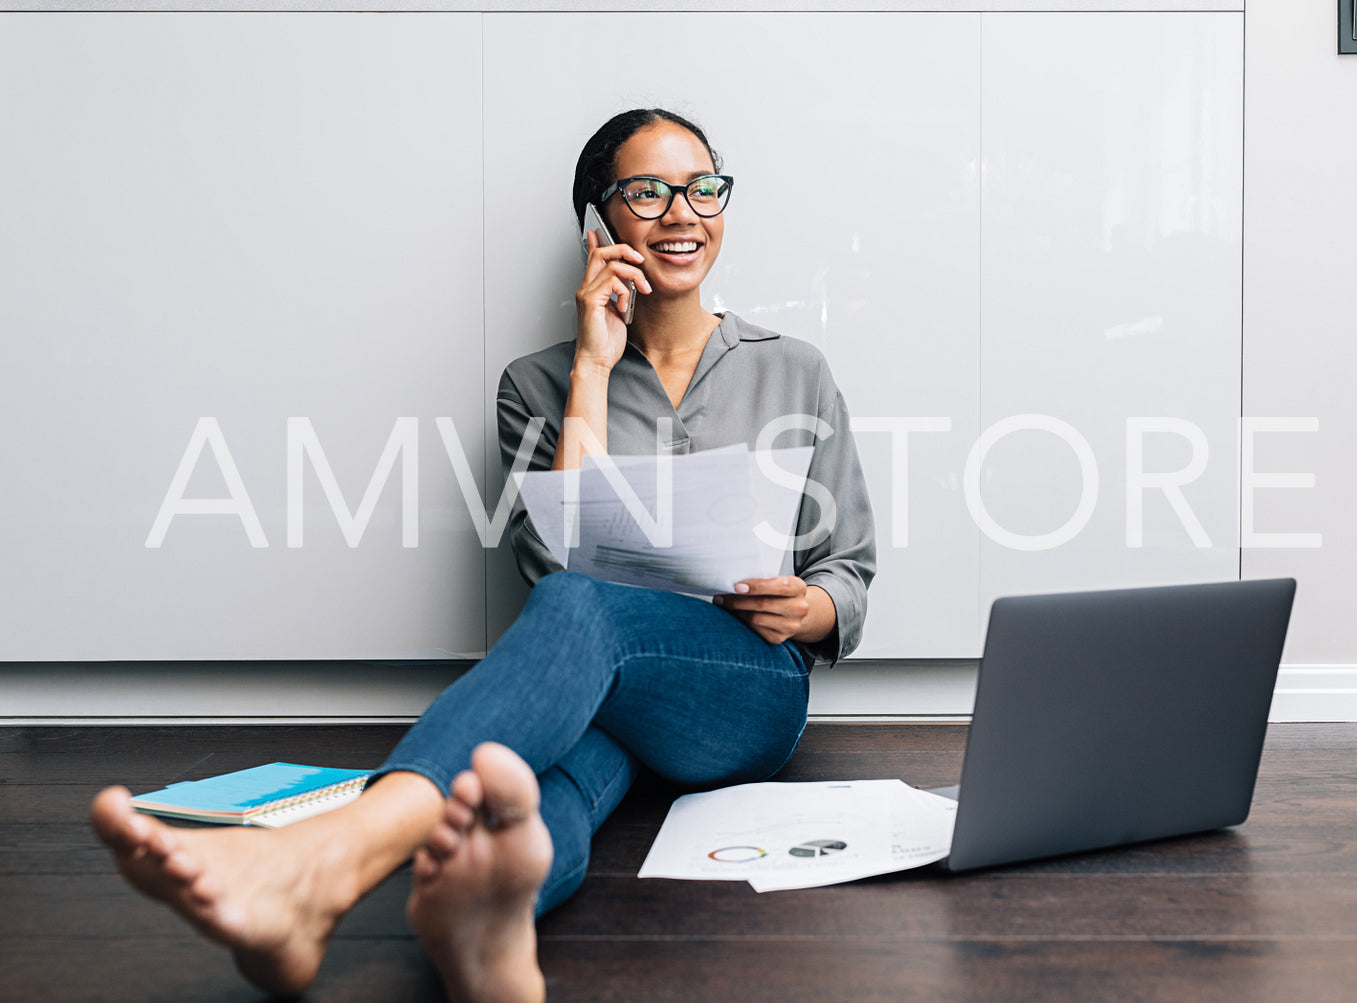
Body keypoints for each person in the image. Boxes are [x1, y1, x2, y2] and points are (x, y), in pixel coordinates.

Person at [89, 107, 877, 1003]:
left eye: (701, 188)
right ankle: (482, 927)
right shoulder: (536, 382)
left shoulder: (795, 368)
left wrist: (800, 607)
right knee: (541, 791)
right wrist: (591, 363)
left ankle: (325, 865)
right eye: (647, 192)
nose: (681, 212)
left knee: (584, 621)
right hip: (597, 692)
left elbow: (845, 571)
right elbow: (551, 567)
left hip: (738, 690)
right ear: (598, 223)